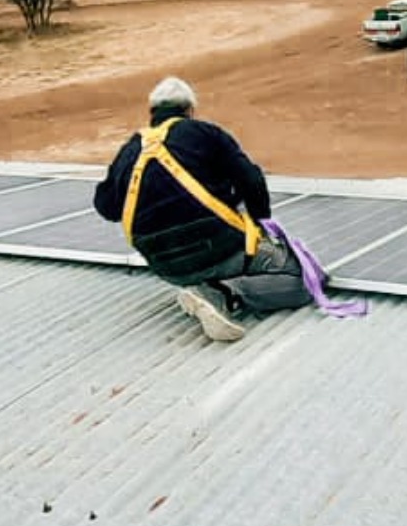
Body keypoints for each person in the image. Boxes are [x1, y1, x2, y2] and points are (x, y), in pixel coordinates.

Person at [94, 76, 311, 342]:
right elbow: (251, 179)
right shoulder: (206, 133)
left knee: (205, 263)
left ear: (151, 113)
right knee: (302, 280)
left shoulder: (129, 150)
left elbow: (106, 208)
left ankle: (201, 288)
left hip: (165, 265)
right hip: (220, 249)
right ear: (189, 110)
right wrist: (262, 225)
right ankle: (224, 292)